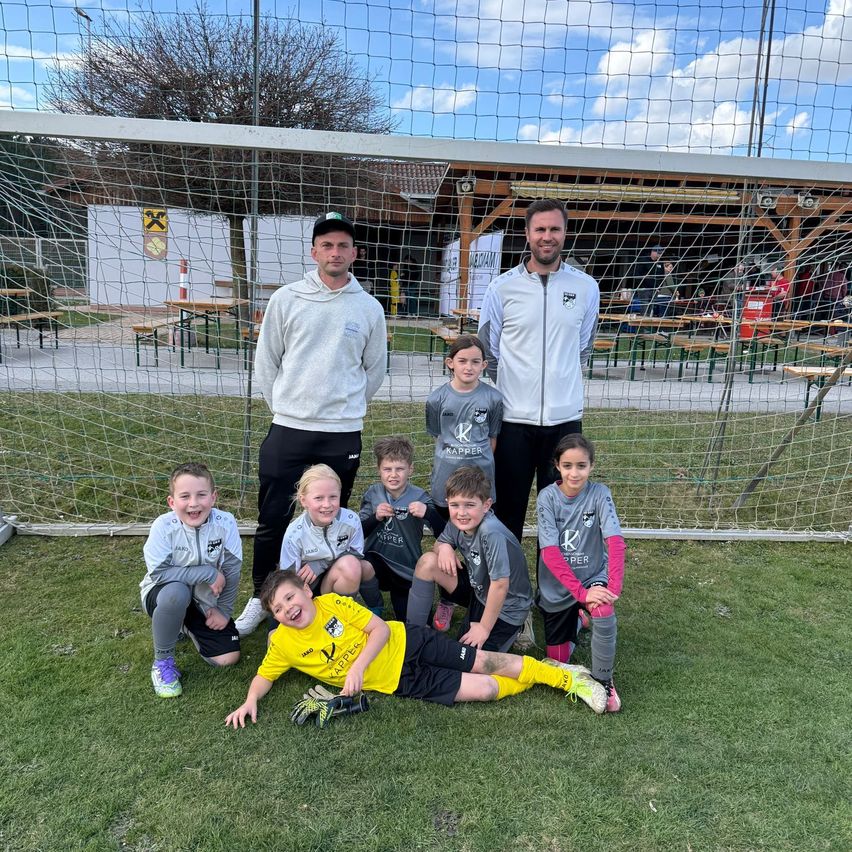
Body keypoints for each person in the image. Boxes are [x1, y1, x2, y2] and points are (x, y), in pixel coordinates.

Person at [235, 212, 387, 636]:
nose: (335, 252)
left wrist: (344, 407)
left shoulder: (368, 307)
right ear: (314, 251)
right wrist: (288, 408)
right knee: (273, 518)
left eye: (342, 245)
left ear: (354, 253)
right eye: (326, 245)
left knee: (329, 518)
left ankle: (322, 601)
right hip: (289, 426)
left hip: (342, 431)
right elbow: (267, 363)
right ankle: (263, 597)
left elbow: (373, 371)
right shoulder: (287, 298)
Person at [224, 570, 607, 728]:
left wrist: (356, 669)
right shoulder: (285, 644)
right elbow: (264, 675)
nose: (289, 608)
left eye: (291, 597)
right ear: (274, 616)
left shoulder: (333, 604)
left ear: (306, 591)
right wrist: (249, 700)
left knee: (484, 662)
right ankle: (540, 672)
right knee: (487, 688)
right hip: (400, 682)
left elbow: (377, 629)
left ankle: (565, 679)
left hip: (408, 641)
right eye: (279, 608)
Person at [478, 198, 600, 543]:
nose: (548, 236)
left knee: (560, 515)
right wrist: (516, 387)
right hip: (513, 421)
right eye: (540, 229)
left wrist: (559, 381)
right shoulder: (501, 287)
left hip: (564, 421)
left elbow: (583, 347)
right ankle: (510, 593)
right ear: (528, 234)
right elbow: (490, 349)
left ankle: (554, 595)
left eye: (555, 229)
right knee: (507, 512)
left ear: (565, 232)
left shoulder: (586, 287)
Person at [535, 434, 626, 713]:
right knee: (557, 658)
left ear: (592, 466)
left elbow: (615, 541)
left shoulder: (600, 494)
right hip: (558, 585)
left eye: (582, 466)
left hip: (591, 578)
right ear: (557, 466)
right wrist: (580, 593)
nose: (575, 473)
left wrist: (612, 589)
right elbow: (549, 553)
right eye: (568, 465)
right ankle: (576, 617)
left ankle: (603, 680)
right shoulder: (547, 497)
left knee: (603, 610)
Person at [140, 462, 242, 699]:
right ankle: (162, 662)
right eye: (185, 496)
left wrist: (224, 611)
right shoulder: (163, 527)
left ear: (213, 497)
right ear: (172, 502)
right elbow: (159, 574)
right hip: (162, 595)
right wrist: (206, 573)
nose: (194, 503)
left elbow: (233, 570)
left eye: (201, 495)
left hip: (204, 601)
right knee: (176, 593)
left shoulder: (226, 523)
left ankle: (183, 624)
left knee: (228, 658)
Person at [406, 467, 534, 653]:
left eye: (469, 505)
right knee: (428, 562)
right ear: (448, 503)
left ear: (486, 505)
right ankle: (413, 635)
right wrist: (444, 547)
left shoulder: (491, 532)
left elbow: (500, 585)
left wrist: (483, 628)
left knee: (471, 662)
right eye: (455, 505)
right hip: (479, 591)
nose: (461, 512)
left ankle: (519, 626)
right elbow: (439, 545)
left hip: (507, 605)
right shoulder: (457, 521)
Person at [425, 334, 503, 631]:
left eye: (475, 362)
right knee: (446, 546)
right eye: (462, 361)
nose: (468, 367)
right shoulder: (437, 398)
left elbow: (492, 438)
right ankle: (447, 598)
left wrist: (477, 467)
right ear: (450, 363)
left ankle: (480, 598)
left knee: (479, 546)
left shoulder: (493, 399)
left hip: (480, 486)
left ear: (484, 365)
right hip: (446, 487)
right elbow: (437, 434)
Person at [359, 436, 446, 620]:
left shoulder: (420, 496)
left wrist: (428, 513)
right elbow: (358, 532)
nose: (393, 475)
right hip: (377, 562)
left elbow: (444, 533)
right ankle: (375, 605)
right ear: (379, 470)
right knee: (361, 566)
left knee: (412, 623)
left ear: (410, 469)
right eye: (387, 469)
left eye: (400, 469)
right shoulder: (373, 494)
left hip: (406, 568)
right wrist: (375, 517)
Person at [278, 464, 383, 615]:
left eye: (333, 497)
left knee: (360, 566)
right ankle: (320, 612)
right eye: (318, 498)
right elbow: (288, 577)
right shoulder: (294, 534)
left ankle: (372, 608)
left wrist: (321, 563)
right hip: (309, 587)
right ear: (303, 500)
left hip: (336, 577)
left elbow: (356, 553)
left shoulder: (351, 520)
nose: (327, 505)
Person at [631, 245, 666, 314]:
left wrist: (659, 287)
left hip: (655, 290)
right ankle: (643, 323)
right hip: (644, 289)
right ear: (653, 252)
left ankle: (648, 323)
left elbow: (662, 276)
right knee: (644, 308)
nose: (660, 255)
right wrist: (642, 286)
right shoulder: (643, 260)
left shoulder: (660, 263)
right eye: (658, 253)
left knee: (651, 309)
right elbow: (636, 274)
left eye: (661, 254)